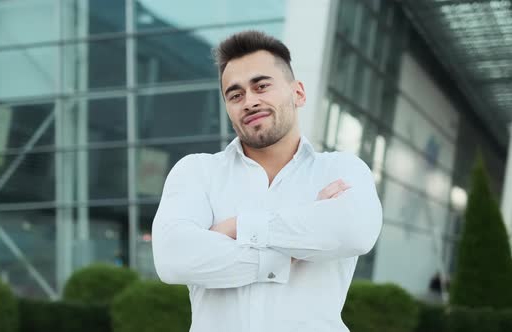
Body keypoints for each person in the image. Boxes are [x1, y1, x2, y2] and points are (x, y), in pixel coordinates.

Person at [152, 30, 383, 332]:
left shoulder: (340, 169)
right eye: (235, 95)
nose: (249, 101)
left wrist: (236, 227)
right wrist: (290, 250)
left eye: (261, 86)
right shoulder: (197, 172)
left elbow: (356, 231)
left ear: (298, 93)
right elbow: (172, 258)